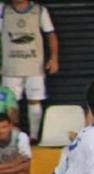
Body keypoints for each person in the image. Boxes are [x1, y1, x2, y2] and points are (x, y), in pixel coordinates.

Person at [0, 0, 59, 143]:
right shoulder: (2, 9)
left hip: (34, 66)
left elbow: (51, 35)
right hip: (10, 67)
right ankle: (12, 139)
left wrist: (54, 58)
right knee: (10, 104)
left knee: (34, 102)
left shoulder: (39, 10)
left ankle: (33, 138)